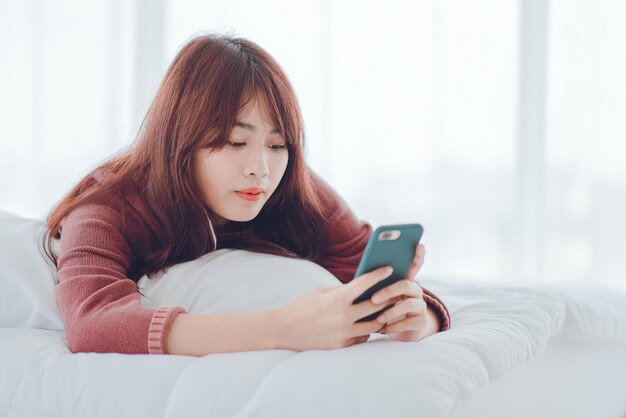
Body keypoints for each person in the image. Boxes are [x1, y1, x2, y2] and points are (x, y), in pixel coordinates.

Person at [42, 33, 451, 357]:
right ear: (178, 140)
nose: (261, 167)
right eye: (236, 142)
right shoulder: (109, 202)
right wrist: (281, 328)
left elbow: (362, 266)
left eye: (277, 145)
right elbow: (91, 321)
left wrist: (421, 316)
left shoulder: (295, 189)